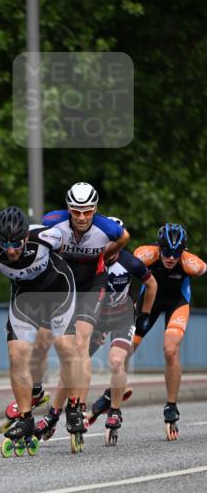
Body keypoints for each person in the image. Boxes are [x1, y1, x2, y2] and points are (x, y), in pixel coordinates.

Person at [33, 183, 130, 442]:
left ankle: (78, 407)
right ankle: (41, 398)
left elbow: (124, 238)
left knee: (81, 344)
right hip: (64, 284)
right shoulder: (52, 221)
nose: (82, 217)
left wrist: (105, 255)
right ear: (68, 208)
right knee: (46, 341)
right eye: (76, 211)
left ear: (95, 209)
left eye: (87, 211)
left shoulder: (107, 228)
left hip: (92, 284)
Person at [0, 206, 79, 454]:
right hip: (25, 298)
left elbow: (64, 250)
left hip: (59, 290)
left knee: (65, 347)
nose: (10, 250)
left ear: (25, 237)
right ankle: (25, 419)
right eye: (4, 244)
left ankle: (75, 405)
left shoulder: (47, 236)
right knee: (17, 355)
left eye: (16, 243)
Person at [132, 223, 206, 438]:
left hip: (177, 303)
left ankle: (171, 406)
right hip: (150, 302)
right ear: (159, 247)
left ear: (184, 250)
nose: (171, 258)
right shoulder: (145, 255)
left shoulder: (193, 265)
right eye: (166, 252)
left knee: (171, 350)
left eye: (177, 253)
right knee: (126, 350)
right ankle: (112, 395)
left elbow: (202, 267)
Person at [87, 218, 157, 442]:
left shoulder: (131, 262)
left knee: (117, 361)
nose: (110, 246)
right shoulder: (89, 261)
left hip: (122, 317)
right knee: (77, 359)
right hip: (97, 318)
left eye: (114, 241)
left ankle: (115, 411)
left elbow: (152, 284)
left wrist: (144, 314)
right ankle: (73, 407)